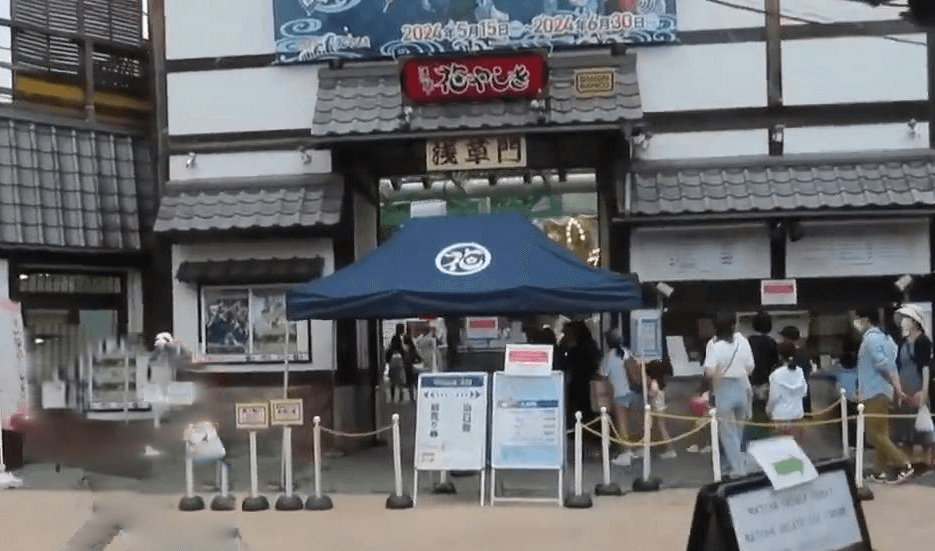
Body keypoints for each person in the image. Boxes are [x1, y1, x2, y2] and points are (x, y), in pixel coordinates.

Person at [854, 308, 913, 484]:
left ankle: (904, 464)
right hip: (883, 391)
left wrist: (896, 387)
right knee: (882, 434)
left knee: (874, 435)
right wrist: (896, 387)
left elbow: (882, 365)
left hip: (873, 391)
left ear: (866, 319)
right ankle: (879, 471)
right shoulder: (887, 340)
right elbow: (892, 365)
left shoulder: (871, 339)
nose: (856, 323)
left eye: (858, 319)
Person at [703, 312, 755, 479]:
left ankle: (738, 469)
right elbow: (750, 366)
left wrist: (718, 373)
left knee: (728, 433)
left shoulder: (714, 346)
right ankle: (738, 464)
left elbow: (709, 371)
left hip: (723, 389)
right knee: (738, 431)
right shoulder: (743, 341)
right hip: (742, 387)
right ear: (734, 324)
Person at [894, 304, 933, 464]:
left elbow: (925, 368)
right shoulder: (902, 343)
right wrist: (898, 391)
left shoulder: (923, 341)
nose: (904, 321)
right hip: (905, 391)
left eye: (907, 318)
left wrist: (924, 392)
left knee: (924, 433)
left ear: (915, 322)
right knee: (905, 433)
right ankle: (907, 465)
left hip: (918, 389)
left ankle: (928, 464)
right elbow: (898, 367)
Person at [600, 329, 644, 466]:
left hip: (619, 393)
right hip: (634, 392)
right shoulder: (628, 353)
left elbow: (602, 375)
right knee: (634, 423)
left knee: (622, 425)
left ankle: (626, 453)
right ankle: (639, 448)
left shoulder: (608, 357)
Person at [746, 311, 779, 447]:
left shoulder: (748, 341)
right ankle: (763, 438)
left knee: (749, 411)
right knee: (763, 410)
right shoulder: (771, 342)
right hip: (765, 381)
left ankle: (750, 440)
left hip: (749, 381)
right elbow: (775, 363)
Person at [767, 341, 809, 443]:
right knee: (797, 446)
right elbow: (804, 392)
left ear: (780, 356)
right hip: (797, 414)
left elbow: (774, 397)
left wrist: (768, 410)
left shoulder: (775, 375)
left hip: (780, 416)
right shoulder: (799, 371)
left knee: (781, 446)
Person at [646, 359, 678, 459]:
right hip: (661, 408)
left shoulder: (654, 383)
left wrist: (647, 393)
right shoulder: (661, 383)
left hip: (657, 409)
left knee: (662, 428)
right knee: (659, 428)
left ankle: (670, 449)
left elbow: (652, 393)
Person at [779, 326, 813, 414]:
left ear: (787, 339)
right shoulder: (805, 353)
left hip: (790, 399)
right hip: (804, 396)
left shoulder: (787, 354)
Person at [386, 323, 421, 402]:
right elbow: (413, 348)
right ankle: (408, 397)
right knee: (406, 380)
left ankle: (397, 398)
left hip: (401, 362)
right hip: (403, 362)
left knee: (397, 380)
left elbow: (391, 350)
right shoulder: (402, 338)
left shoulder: (396, 338)